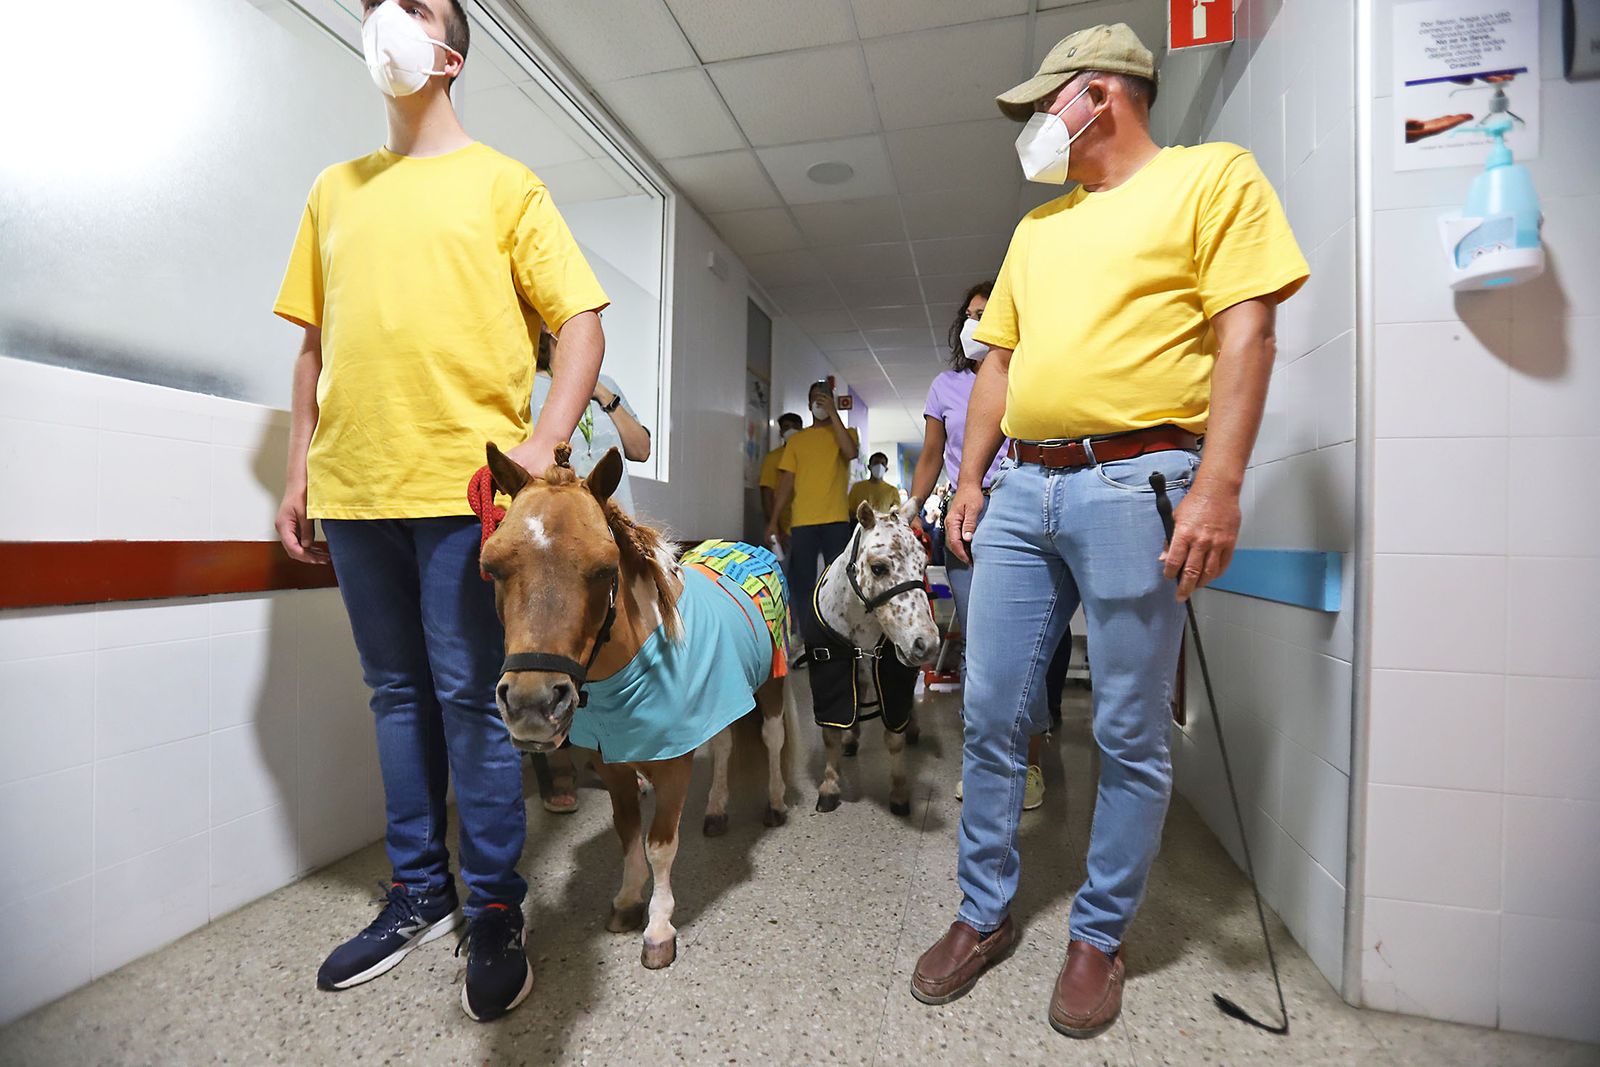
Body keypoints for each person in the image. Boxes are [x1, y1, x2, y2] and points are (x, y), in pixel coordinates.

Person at [910, 24, 1308, 1038]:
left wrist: (1217, 484)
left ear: (1099, 95)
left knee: (1128, 727)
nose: (1038, 127)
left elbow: (1247, 330)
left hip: (1140, 483)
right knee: (993, 709)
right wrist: (967, 480)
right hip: (1021, 491)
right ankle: (983, 911)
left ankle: (1097, 935)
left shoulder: (1210, 177)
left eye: (1047, 105)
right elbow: (996, 362)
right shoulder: (1038, 232)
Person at [272, 0, 608, 1023]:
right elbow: (313, 350)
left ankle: (495, 902)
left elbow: (581, 322)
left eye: (413, 6)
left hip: (467, 495)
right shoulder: (335, 191)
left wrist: (545, 445)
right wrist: (297, 473)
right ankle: (418, 888)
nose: (385, 17)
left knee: (472, 697)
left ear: (450, 51)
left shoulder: (506, 183)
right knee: (394, 694)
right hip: (356, 483)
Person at [907, 282, 1057, 812]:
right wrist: (911, 509)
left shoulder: (1031, 373)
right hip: (963, 521)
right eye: (970, 315)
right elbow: (930, 456)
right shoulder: (945, 386)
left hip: (1019, 514)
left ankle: (1030, 761)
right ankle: (984, 763)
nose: (977, 324)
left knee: (1024, 648)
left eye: (987, 314)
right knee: (980, 648)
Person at [529, 329, 651, 814]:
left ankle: (617, 755)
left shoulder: (606, 386)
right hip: (559, 546)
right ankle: (561, 767)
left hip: (616, 539)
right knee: (563, 650)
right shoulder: (527, 385)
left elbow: (638, 448)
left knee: (625, 652)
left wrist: (607, 394)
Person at [763, 381, 859, 641]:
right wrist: (773, 521)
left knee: (839, 581)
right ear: (808, 404)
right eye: (816, 399)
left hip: (836, 520)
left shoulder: (846, 432)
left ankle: (840, 634)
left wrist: (834, 412)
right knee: (802, 583)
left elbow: (850, 452)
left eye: (825, 398)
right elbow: (785, 484)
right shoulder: (798, 442)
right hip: (802, 522)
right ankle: (807, 637)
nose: (820, 402)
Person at [758, 412, 804, 551]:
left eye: (795, 426)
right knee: (782, 569)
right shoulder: (773, 458)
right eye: (787, 427)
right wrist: (775, 525)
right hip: (782, 528)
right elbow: (766, 493)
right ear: (781, 432)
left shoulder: (808, 455)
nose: (791, 430)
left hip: (805, 526)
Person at [847, 452, 901, 516]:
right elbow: (850, 511)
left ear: (886, 469)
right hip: (860, 524)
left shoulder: (892, 491)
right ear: (869, 467)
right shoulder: (857, 487)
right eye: (876, 463)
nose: (879, 466)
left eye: (882, 464)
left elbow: (896, 514)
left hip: (883, 524)